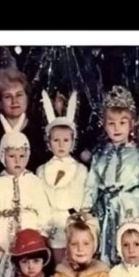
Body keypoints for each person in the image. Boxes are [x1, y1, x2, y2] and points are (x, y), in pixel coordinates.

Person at [82, 85, 139, 265]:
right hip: (105, 212)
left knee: (130, 252)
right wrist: (86, 209)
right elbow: (92, 185)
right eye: (111, 123)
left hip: (131, 211)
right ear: (104, 124)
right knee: (105, 255)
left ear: (131, 124)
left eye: (122, 123)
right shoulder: (99, 155)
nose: (117, 128)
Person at [0, 130, 52, 277]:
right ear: (3, 156)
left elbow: (44, 210)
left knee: (30, 272)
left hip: (31, 237)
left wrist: (43, 235)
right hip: (5, 238)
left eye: (22, 156)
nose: (17, 161)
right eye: (12, 156)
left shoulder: (34, 181)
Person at [37, 89, 88, 265]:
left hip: (72, 224)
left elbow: (83, 200)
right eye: (56, 140)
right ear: (48, 142)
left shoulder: (80, 170)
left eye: (66, 140)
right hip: (51, 226)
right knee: (57, 266)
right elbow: (40, 201)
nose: (61, 145)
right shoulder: (42, 170)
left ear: (73, 141)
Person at [0, 67, 49, 187]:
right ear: (0, 102)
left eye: (19, 95)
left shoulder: (39, 131)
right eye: (8, 96)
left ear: (27, 97)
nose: (14, 101)